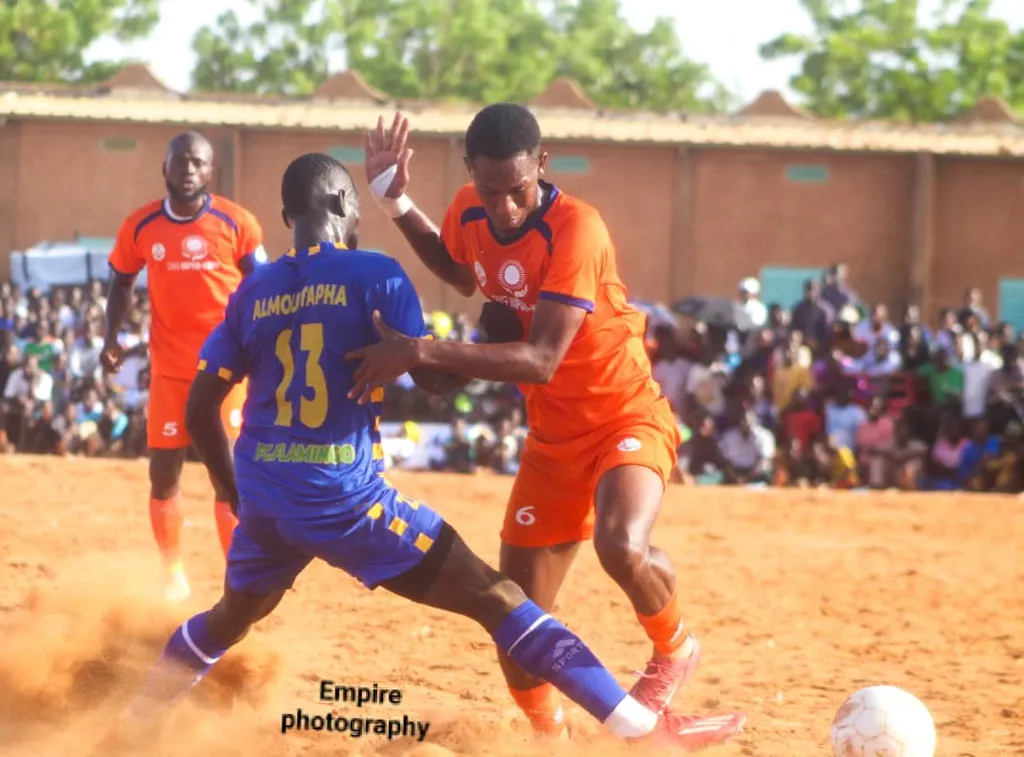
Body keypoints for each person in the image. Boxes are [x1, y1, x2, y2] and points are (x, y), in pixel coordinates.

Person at [97, 153, 746, 752]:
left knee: (227, 618)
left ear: (288, 214)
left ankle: (130, 726)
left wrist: (234, 491)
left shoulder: (254, 290)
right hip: (344, 497)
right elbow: (432, 379)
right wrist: (485, 337)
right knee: (499, 597)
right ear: (345, 205)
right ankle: (646, 731)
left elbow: (200, 410)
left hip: (266, 494)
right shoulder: (375, 274)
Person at [348, 106, 744, 745]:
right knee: (516, 620)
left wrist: (421, 349)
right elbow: (460, 272)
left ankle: (674, 649)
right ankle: (549, 738)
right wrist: (394, 203)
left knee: (621, 545)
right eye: (489, 190)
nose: (504, 207)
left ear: (543, 164)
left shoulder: (577, 229)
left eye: (518, 189)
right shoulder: (469, 210)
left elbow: (540, 360)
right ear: (471, 173)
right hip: (552, 439)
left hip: (622, 412)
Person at [102, 131, 266, 603]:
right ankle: (173, 574)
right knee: (163, 475)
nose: (188, 170)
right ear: (165, 168)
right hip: (170, 373)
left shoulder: (237, 223)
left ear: (209, 170)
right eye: (180, 161)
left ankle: (239, 578)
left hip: (226, 374)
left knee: (229, 477)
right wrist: (112, 338)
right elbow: (121, 281)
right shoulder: (140, 225)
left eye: (197, 162)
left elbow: (264, 285)